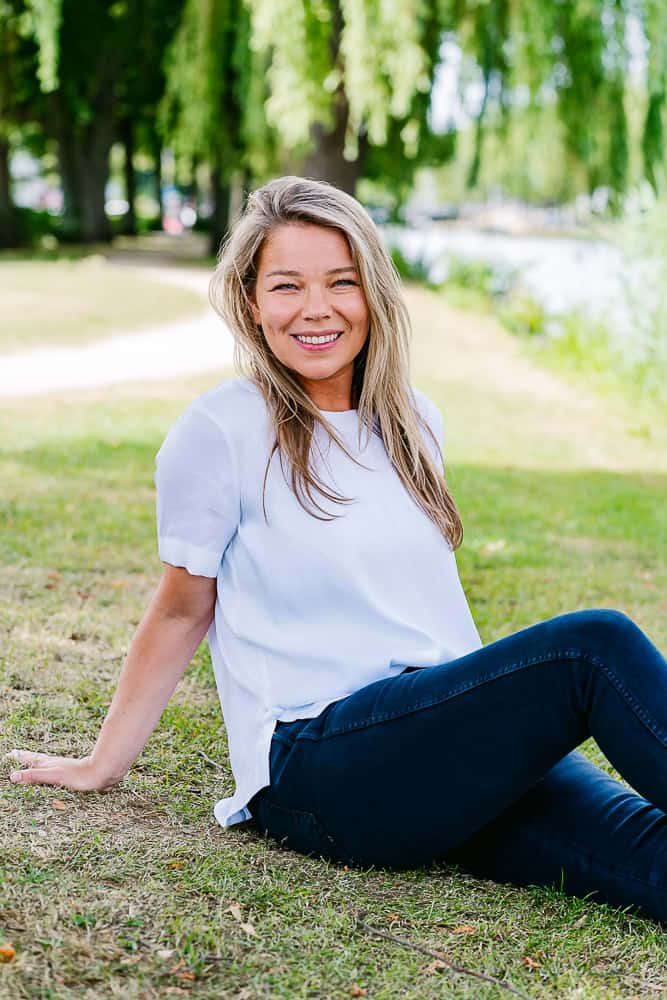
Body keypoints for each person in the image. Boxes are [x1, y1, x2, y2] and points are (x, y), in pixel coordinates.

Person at [7, 176, 667, 923]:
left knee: (648, 849)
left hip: (437, 742)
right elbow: (181, 610)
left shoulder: (415, 422)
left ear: (372, 295)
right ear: (251, 305)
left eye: (340, 283)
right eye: (285, 285)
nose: (314, 309)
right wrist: (102, 765)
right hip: (321, 765)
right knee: (591, 648)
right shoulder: (223, 428)